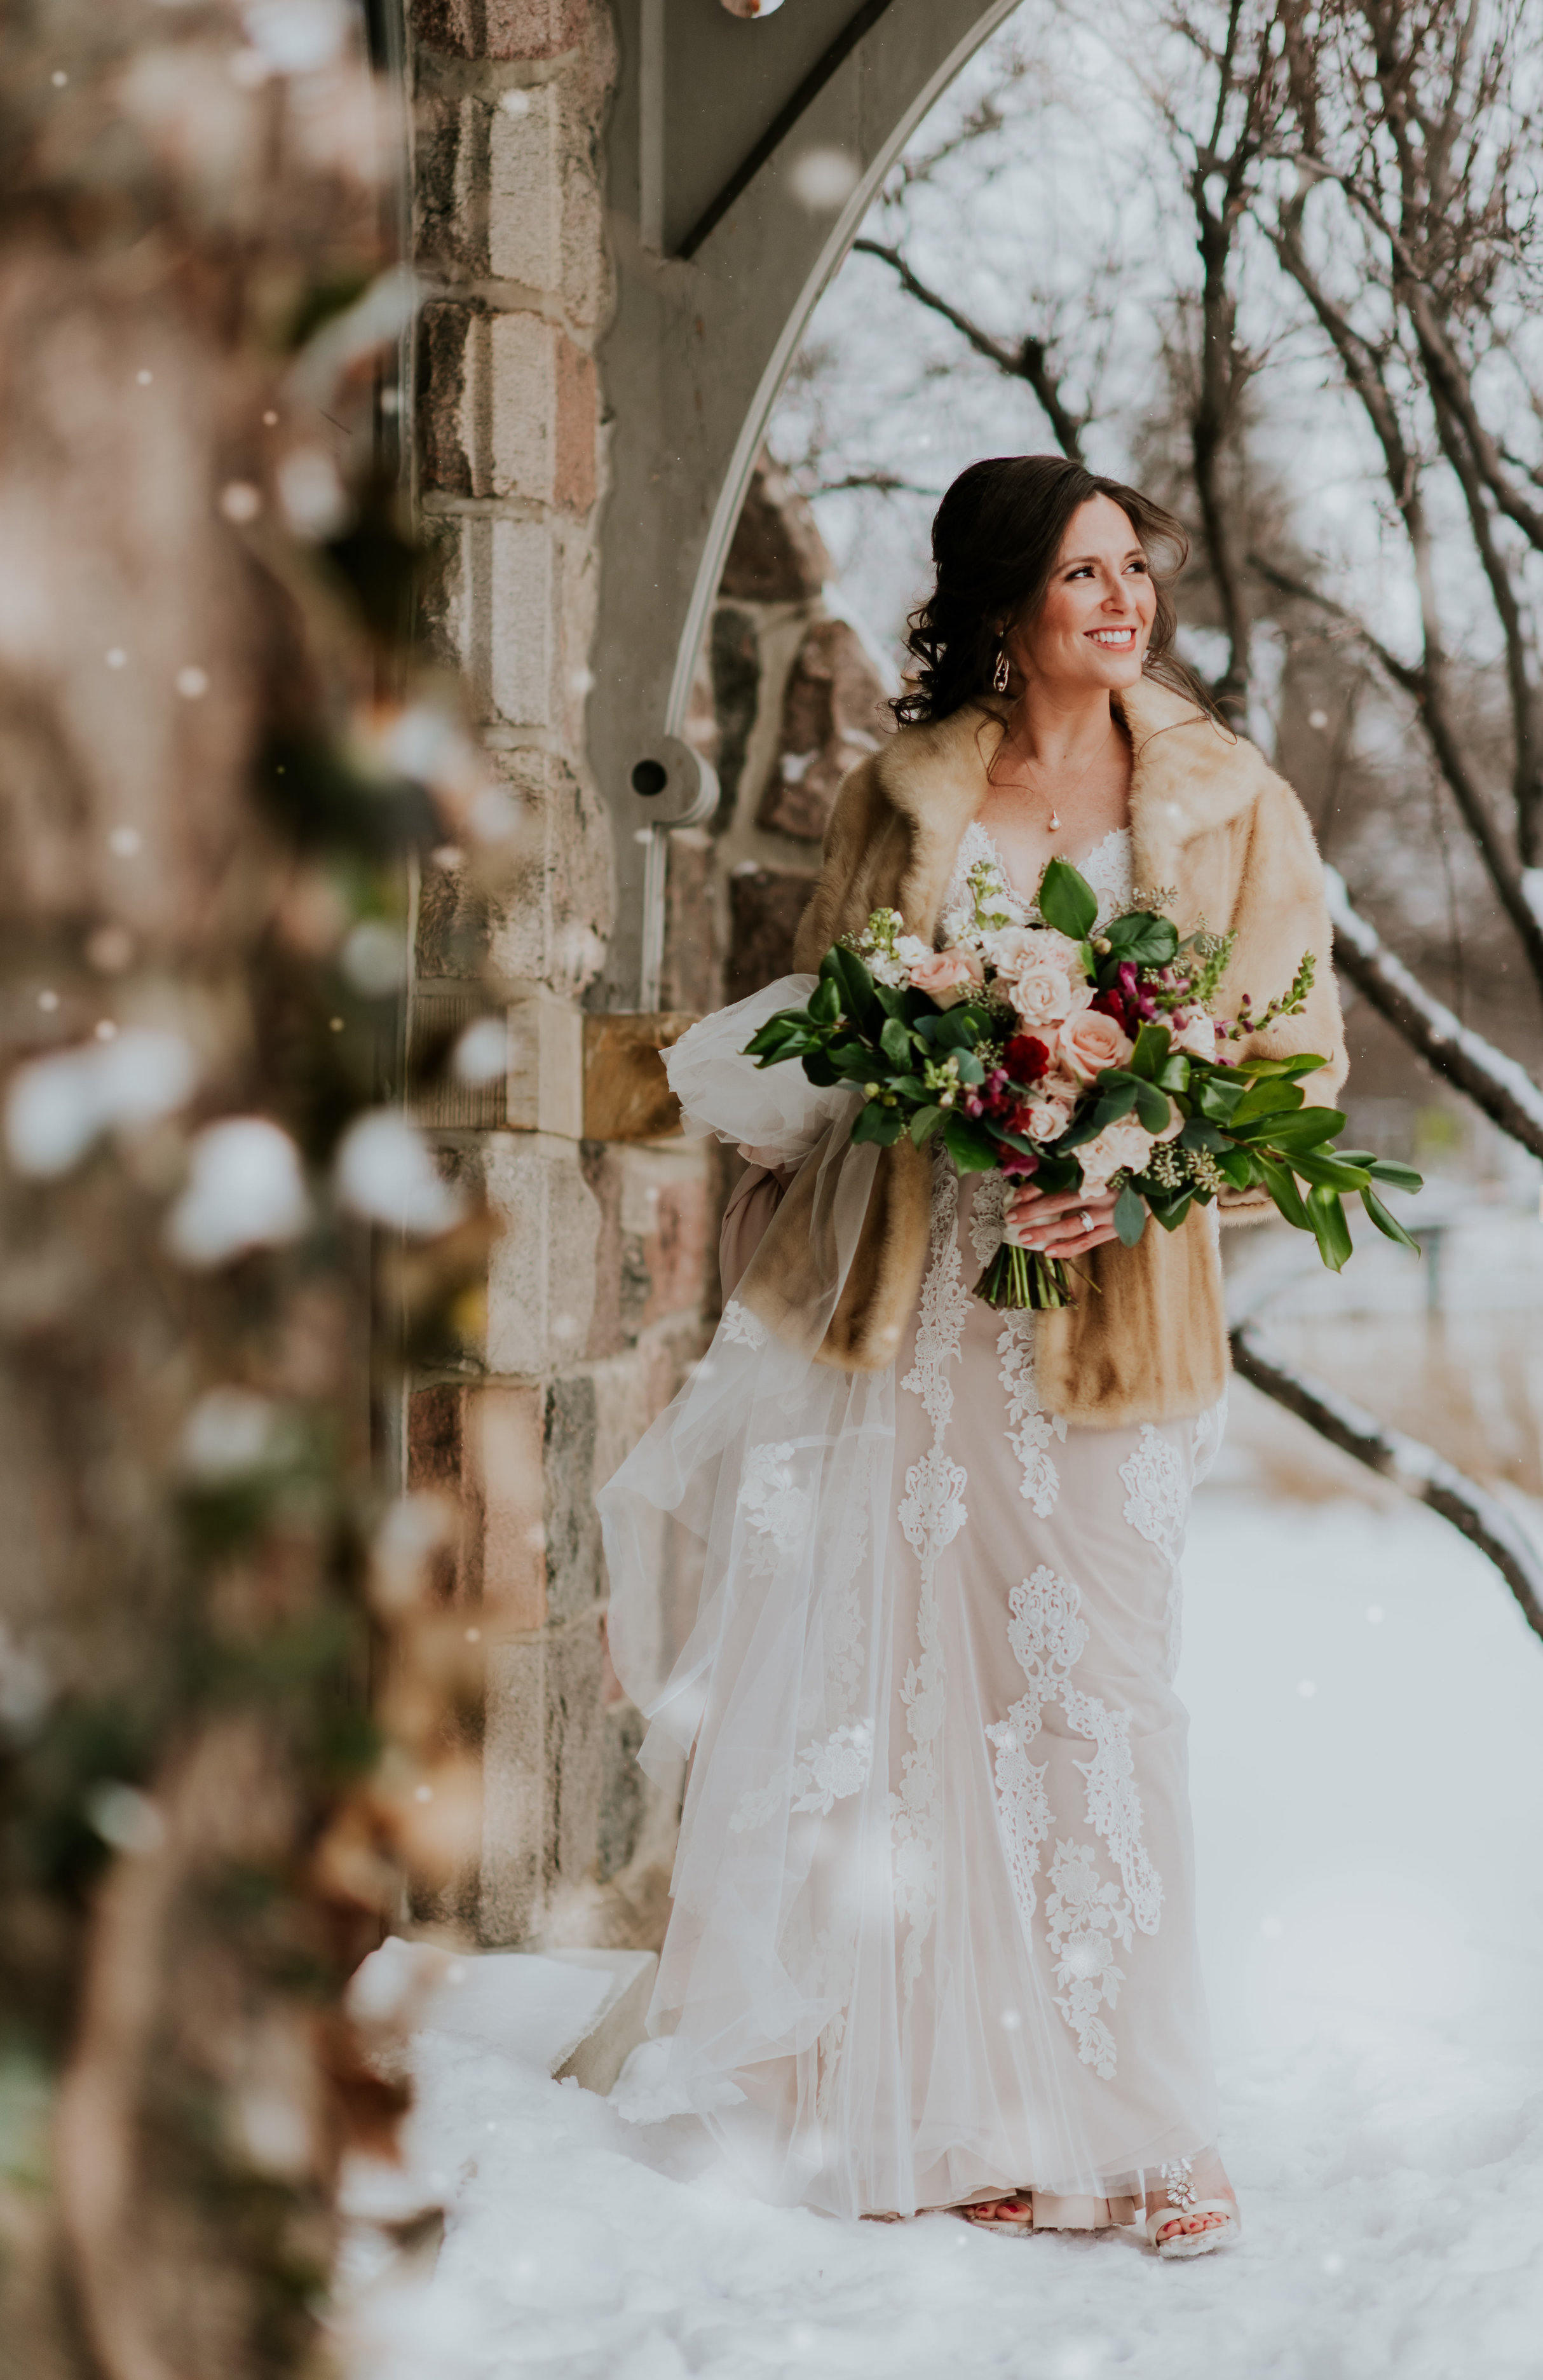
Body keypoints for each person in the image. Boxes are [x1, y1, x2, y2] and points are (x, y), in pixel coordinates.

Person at [599, 455, 1345, 2257]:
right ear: (1001, 604)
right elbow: (854, 1025)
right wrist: (939, 1074)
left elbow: (1287, 1067)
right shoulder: (905, 794)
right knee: (925, 1710)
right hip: (931, 1303)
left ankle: (1153, 2124)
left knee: (1104, 1701)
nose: (1120, 598)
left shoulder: (1231, 803)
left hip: (1114, 1324)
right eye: (1080, 571)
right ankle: (971, 2108)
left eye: (1131, 567)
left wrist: (1132, 1160)